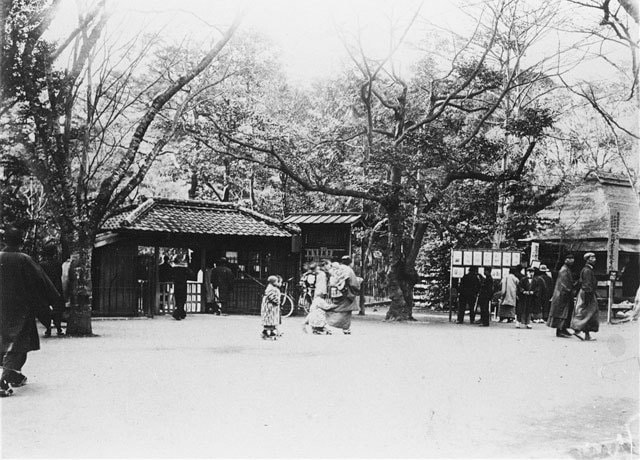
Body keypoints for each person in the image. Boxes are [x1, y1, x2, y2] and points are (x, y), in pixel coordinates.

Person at [1, 227, 63, 397]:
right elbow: (41, 281)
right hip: (21, 309)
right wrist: (52, 300)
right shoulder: (24, 259)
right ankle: (4, 380)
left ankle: (14, 375)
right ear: (21, 242)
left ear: (4, 240)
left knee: (4, 341)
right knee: (19, 344)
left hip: (1, 308)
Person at [325, 256, 361, 334]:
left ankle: (329, 324)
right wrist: (357, 287)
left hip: (335, 292)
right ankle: (344, 328)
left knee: (335, 308)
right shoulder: (349, 270)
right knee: (346, 311)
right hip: (346, 293)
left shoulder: (337, 268)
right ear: (350, 263)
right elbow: (353, 283)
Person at [571, 252, 600, 341]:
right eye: (592, 258)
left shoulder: (588, 269)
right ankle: (577, 330)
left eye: (594, 257)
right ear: (587, 260)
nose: (594, 259)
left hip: (587, 292)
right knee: (585, 313)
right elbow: (587, 284)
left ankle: (587, 334)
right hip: (587, 293)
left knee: (589, 314)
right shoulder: (587, 270)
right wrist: (588, 296)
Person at [546, 254, 577, 338]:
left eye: (572, 259)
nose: (572, 260)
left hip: (564, 294)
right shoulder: (564, 270)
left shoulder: (567, 269)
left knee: (565, 313)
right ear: (566, 260)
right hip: (562, 295)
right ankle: (560, 330)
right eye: (570, 259)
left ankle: (563, 329)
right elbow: (564, 284)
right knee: (562, 313)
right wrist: (570, 289)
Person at [39, 243, 65, 337]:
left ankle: (48, 328)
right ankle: (58, 328)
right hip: (57, 287)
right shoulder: (58, 264)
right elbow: (60, 275)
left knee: (46, 308)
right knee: (57, 309)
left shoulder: (42, 264)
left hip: (45, 288)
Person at [303, 260, 332, 335]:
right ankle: (310, 323)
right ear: (325, 265)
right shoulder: (321, 273)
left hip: (318, 292)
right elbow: (322, 285)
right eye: (329, 265)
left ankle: (315, 326)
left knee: (316, 309)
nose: (329, 267)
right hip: (320, 292)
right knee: (317, 310)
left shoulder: (318, 273)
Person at [171, 254, 195, 321]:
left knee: (178, 299)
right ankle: (179, 313)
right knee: (182, 300)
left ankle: (180, 313)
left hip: (176, 285)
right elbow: (192, 275)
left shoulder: (174, 269)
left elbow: (170, 276)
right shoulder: (185, 269)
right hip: (183, 285)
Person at [261, 275, 282, 340]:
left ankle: (266, 332)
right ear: (274, 282)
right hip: (270, 307)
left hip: (271, 307)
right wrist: (277, 301)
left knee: (270, 320)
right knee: (270, 319)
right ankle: (271, 333)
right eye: (277, 281)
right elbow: (272, 297)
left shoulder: (271, 288)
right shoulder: (271, 289)